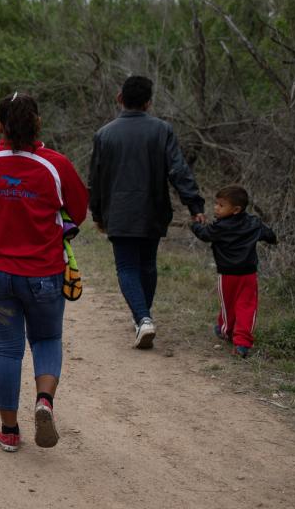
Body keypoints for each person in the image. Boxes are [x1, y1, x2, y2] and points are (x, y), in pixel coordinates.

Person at [0, 93, 89, 454]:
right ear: (38, 124)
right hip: (43, 275)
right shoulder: (56, 165)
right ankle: (44, 402)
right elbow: (78, 210)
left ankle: (9, 431)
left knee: (6, 349)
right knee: (46, 340)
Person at [88, 75, 206, 349]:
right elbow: (178, 170)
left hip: (119, 211)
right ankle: (143, 318)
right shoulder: (162, 130)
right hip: (153, 209)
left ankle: (142, 318)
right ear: (149, 103)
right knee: (147, 265)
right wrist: (195, 204)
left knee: (127, 266)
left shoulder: (104, 134)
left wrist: (96, 214)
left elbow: (96, 178)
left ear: (120, 98)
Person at [191, 185, 278, 359]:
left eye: (221, 205)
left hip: (227, 275)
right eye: (215, 203)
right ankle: (242, 343)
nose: (216, 207)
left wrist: (195, 225)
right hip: (248, 275)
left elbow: (204, 234)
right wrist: (272, 238)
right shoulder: (253, 223)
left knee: (228, 305)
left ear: (236, 209)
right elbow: (269, 235)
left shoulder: (219, 228)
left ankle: (226, 331)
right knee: (246, 307)